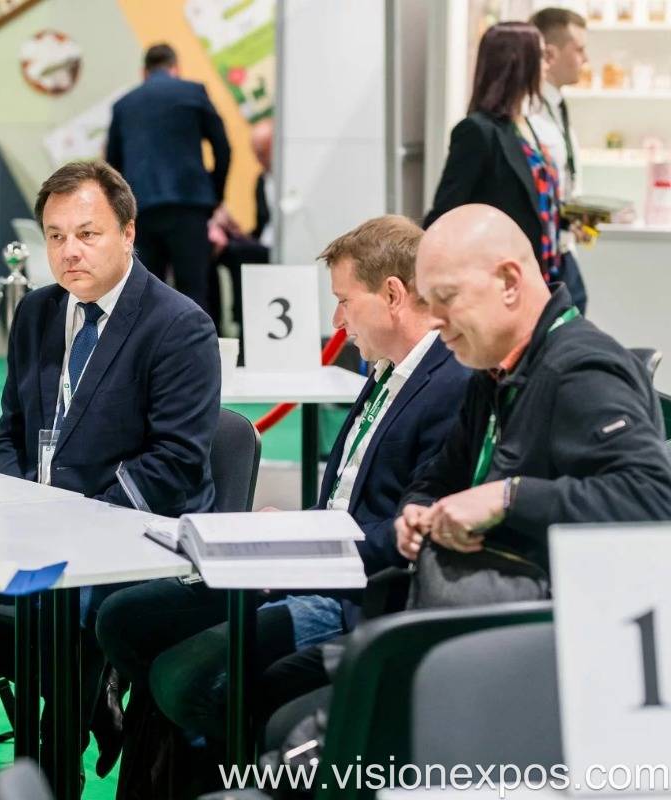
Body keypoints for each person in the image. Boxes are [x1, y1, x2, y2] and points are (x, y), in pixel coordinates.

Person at [259, 204, 671, 752]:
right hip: (458, 617)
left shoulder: (580, 369)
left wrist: (508, 497)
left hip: (526, 646)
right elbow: (442, 473)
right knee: (278, 717)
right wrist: (417, 509)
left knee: (288, 735)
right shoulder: (494, 367)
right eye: (429, 301)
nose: (435, 320)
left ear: (509, 282)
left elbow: (653, 497)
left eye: (446, 298)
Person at [95, 215, 471, 798]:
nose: (337, 322)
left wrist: (302, 548)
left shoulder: (448, 387)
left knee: (182, 678)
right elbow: (351, 499)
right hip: (313, 565)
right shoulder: (390, 369)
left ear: (394, 296)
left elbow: (406, 534)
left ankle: (221, 769)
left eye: (344, 301)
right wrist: (296, 533)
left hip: (354, 594)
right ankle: (171, 764)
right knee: (126, 618)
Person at [0, 159, 220, 774]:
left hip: (131, 541)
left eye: (87, 233)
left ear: (128, 233)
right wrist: (25, 509)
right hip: (40, 534)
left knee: (60, 611)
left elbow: (174, 463)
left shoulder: (178, 326)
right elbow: (11, 433)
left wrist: (78, 525)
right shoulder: (37, 313)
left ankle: (55, 764)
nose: (69, 251)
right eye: (55, 236)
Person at [425, 23, 568, 295]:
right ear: (519, 62)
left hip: (544, 272)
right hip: (501, 280)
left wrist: (567, 221)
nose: (547, 65)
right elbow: (445, 211)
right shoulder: (477, 131)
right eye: (540, 56)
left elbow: (533, 200)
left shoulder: (524, 124)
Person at [107, 43, 231, 324]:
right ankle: (198, 351)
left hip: (141, 211)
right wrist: (214, 196)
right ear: (176, 68)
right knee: (194, 290)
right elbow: (223, 147)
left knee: (145, 295)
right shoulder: (194, 92)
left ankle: (150, 352)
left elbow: (112, 167)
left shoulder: (123, 105)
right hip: (189, 206)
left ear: (144, 72)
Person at [529, 7, 590, 312]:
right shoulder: (527, 112)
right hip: (544, 259)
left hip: (563, 249)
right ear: (551, 54)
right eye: (578, 49)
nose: (585, 59)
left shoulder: (556, 105)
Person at [209, 118, 275, 334]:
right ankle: (233, 318)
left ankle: (240, 318)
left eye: (263, 154)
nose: (259, 160)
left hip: (279, 247)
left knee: (236, 252)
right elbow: (261, 225)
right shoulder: (262, 180)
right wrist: (238, 232)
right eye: (256, 154)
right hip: (264, 243)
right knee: (224, 248)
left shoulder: (288, 180)